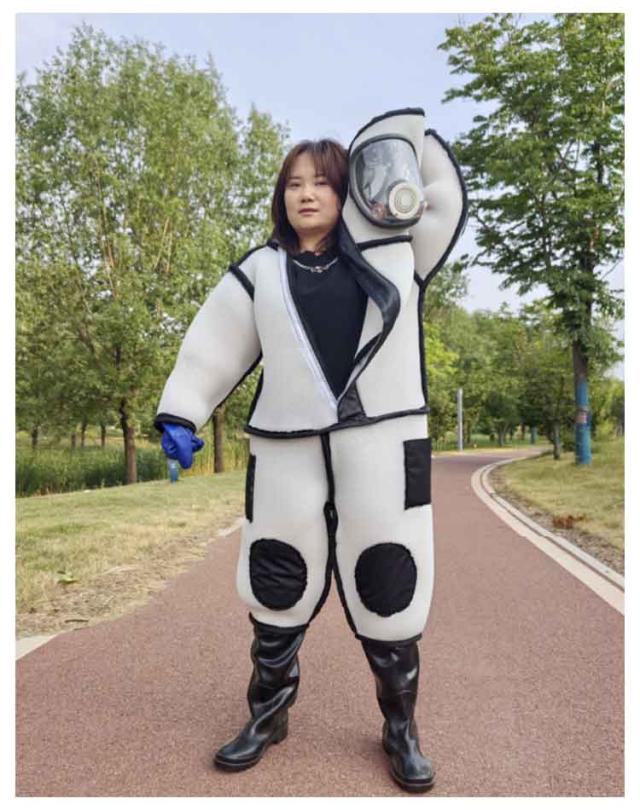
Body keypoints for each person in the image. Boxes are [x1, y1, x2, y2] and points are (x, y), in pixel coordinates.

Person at [155, 108, 467, 793]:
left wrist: (401, 140)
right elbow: (213, 343)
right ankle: (267, 717)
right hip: (286, 447)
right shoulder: (261, 271)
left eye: (322, 182)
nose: (305, 194)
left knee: (390, 581)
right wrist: (181, 410)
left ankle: (400, 729)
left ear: (347, 190)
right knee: (277, 577)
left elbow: (444, 193)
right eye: (294, 182)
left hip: (384, 444)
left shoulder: (399, 253)